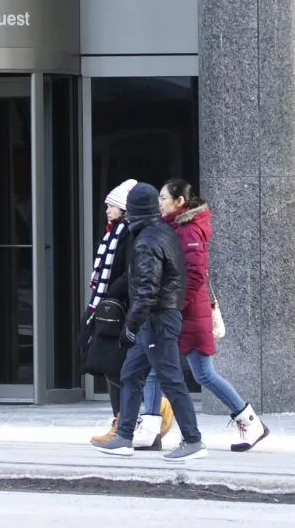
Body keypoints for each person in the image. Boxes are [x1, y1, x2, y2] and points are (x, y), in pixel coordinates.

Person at [141, 179, 270, 452]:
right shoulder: (175, 228)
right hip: (182, 312)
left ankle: (250, 422)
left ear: (179, 202)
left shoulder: (188, 231)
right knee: (156, 368)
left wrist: (173, 305)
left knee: (203, 374)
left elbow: (196, 275)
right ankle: (150, 430)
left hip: (189, 314)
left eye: (164, 198)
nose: (159, 203)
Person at [90, 182, 205, 461]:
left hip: (157, 320)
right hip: (159, 318)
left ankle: (193, 441)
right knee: (130, 373)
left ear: (134, 210)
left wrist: (130, 326)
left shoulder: (146, 241)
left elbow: (146, 291)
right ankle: (124, 437)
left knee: (171, 379)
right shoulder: (162, 232)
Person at [80, 179, 138, 434]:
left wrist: (111, 294)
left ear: (123, 208)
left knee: (116, 366)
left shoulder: (128, 234)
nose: (107, 210)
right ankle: (123, 418)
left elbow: (128, 272)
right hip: (107, 306)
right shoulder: (113, 234)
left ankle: (125, 420)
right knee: (110, 366)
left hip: (118, 309)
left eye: (111, 206)